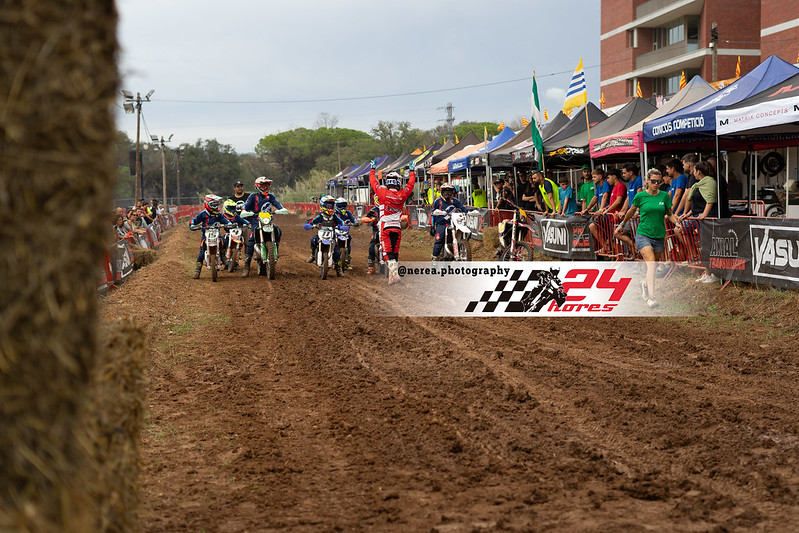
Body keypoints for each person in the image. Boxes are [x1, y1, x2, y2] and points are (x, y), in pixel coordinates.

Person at [615, 169, 682, 308]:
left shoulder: (664, 196)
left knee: (653, 265)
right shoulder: (640, 196)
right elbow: (631, 211)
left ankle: (645, 284)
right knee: (651, 264)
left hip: (659, 235)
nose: (656, 184)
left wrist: (676, 222)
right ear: (647, 181)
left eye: (659, 181)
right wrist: (622, 224)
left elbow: (669, 213)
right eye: (653, 181)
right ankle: (652, 297)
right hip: (643, 234)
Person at [370, 158, 416, 284]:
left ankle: (394, 275)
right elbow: (410, 185)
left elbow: (373, 182)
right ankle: (392, 276)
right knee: (395, 253)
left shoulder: (382, 192)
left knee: (387, 253)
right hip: (397, 227)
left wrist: (372, 169)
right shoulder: (402, 194)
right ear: (398, 183)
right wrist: (412, 171)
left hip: (385, 227)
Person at [241, 176, 288, 278]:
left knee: (278, 231)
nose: (266, 187)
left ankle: (275, 249)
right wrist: (245, 211)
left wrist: (281, 209)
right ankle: (246, 265)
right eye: (263, 185)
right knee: (251, 239)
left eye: (267, 185)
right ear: (258, 186)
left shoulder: (270, 196)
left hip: (268, 221)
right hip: (256, 221)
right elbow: (245, 206)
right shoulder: (253, 197)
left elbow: (277, 204)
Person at [189, 195, 234, 279]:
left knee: (224, 242)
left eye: (217, 204)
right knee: (202, 251)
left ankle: (223, 255)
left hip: (217, 234)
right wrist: (192, 225)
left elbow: (225, 220)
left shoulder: (219, 215)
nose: (215, 206)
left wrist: (229, 224)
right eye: (213, 205)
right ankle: (197, 270)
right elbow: (194, 220)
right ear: (207, 204)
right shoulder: (203, 214)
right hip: (206, 235)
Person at [304, 196, 347, 275]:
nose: (330, 207)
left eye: (331, 205)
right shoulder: (320, 216)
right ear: (323, 205)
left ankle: (338, 269)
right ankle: (313, 255)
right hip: (321, 234)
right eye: (328, 206)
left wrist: (343, 226)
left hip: (331, 236)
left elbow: (341, 222)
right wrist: (309, 225)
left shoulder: (334, 216)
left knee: (337, 252)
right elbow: (311, 221)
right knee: (313, 240)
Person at [431, 183, 472, 260]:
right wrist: (432, 226)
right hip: (442, 224)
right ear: (442, 192)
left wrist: (470, 211)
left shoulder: (455, 201)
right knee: (439, 240)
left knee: (468, 233)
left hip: (454, 223)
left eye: (449, 192)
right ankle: (434, 257)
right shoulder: (438, 201)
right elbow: (432, 213)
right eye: (446, 192)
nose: (447, 193)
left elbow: (463, 208)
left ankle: (461, 248)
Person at [590, 168, 626, 253]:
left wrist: (604, 210)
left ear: (614, 177)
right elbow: (612, 202)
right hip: (612, 219)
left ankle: (623, 256)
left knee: (618, 241)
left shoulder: (620, 186)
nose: (607, 180)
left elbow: (618, 201)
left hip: (617, 219)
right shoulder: (614, 187)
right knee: (613, 239)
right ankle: (613, 253)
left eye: (609, 178)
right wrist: (605, 209)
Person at [219, 199, 250, 270]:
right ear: (226, 208)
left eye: (233, 207)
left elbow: (243, 220)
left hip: (237, 233)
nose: (233, 209)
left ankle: (236, 262)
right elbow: (219, 221)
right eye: (231, 208)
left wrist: (248, 224)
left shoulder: (236, 216)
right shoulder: (223, 216)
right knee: (223, 243)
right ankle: (223, 256)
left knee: (241, 242)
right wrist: (220, 224)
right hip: (228, 233)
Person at [335, 196, 358, 269]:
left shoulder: (348, 213)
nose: (342, 207)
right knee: (333, 243)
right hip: (335, 231)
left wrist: (355, 222)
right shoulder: (335, 213)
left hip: (345, 232)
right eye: (340, 206)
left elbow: (353, 219)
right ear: (336, 206)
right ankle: (333, 259)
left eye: (343, 205)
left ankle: (347, 260)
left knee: (348, 243)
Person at [362, 195, 381, 275]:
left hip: (386, 229)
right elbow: (366, 217)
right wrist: (370, 219)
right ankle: (371, 267)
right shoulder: (374, 210)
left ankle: (394, 264)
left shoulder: (389, 208)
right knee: (371, 246)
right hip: (376, 230)